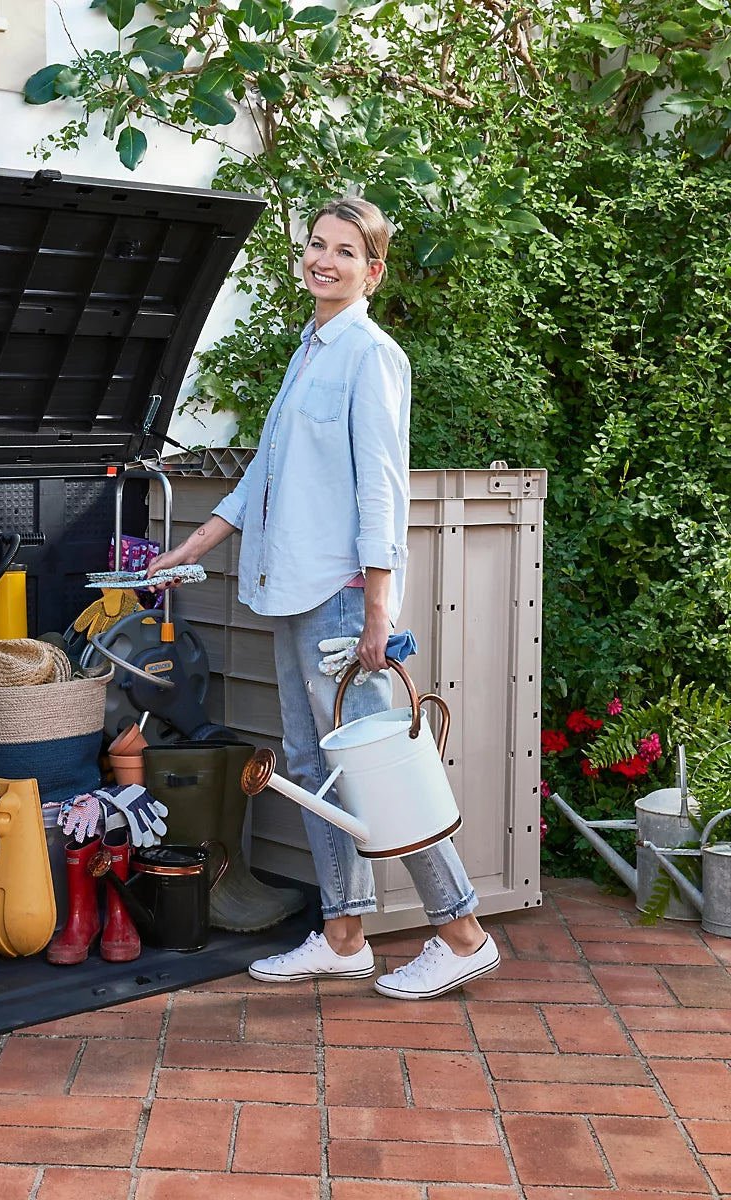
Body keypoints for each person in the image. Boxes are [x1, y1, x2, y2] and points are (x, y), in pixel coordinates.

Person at [146, 197, 499, 999]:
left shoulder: (369, 355)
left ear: (373, 270)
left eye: (345, 250)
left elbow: (382, 491)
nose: (324, 259)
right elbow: (267, 470)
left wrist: (380, 609)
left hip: (342, 599)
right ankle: (344, 934)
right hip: (294, 591)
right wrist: (196, 545)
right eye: (316, 245)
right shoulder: (311, 347)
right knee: (313, 767)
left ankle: (462, 930)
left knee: (380, 769)